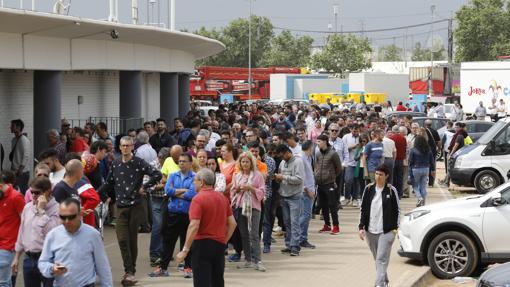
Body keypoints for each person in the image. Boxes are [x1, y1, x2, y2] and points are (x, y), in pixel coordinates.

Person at [98, 136, 162, 286]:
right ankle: (129, 270)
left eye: (128, 145)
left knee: (132, 240)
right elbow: (109, 183)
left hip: (136, 206)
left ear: (133, 146)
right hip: (120, 207)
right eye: (123, 146)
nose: (125, 148)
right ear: (119, 147)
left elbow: (157, 174)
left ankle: (130, 272)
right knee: (122, 239)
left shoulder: (139, 163)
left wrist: (145, 187)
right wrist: (94, 194)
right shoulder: (115, 163)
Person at [174, 168, 237, 287]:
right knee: (217, 280)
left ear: (202, 182)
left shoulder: (198, 199)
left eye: (195, 180)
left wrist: (185, 250)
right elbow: (233, 223)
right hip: (219, 244)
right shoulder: (222, 198)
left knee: (202, 281)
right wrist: (224, 240)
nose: (193, 183)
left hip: (202, 244)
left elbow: (194, 225)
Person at [38, 198, 113, 287]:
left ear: (79, 214)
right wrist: (52, 268)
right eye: (63, 217)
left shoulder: (93, 235)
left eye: (71, 217)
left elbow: (102, 267)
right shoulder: (52, 235)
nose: (67, 221)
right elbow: (43, 262)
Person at [149, 154, 196, 278]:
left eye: (184, 161)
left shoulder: (195, 177)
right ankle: (163, 268)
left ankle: (187, 267)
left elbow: (192, 194)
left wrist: (176, 192)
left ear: (190, 163)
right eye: (180, 161)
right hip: (172, 213)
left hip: (187, 213)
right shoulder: (172, 175)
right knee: (168, 241)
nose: (181, 163)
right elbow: (167, 191)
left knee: (186, 241)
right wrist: (183, 191)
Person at [12, 177, 60, 287]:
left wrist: (41, 211)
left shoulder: (57, 209)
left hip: (49, 259)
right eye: (31, 192)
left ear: (47, 191)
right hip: (29, 259)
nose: (33, 195)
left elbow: (52, 232)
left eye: (36, 193)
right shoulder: (28, 207)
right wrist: (16, 257)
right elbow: (22, 231)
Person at [358, 164, 400, 287]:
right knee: (378, 259)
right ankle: (385, 281)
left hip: (386, 231)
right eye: (376, 174)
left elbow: (397, 210)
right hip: (370, 231)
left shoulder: (391, 190)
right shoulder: (369, 189)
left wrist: (395, 230)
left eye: (381, 174)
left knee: (381, 259)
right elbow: (363, 209)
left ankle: (379, 285)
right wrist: (361, 227)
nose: (378, 177)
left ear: (386, 176)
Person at [231, 152, 266, 271]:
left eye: (247, 161)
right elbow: (233, 191)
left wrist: (250, 188)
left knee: (254, 234)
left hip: (254, 207)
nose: (245, 164)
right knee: (244, 234)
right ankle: (248, 259)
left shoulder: (258, 175)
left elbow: (262, 192)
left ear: (251, 162)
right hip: (241, 206)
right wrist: (236, 189)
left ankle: (258, 260)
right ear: (239, 163)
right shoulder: (237, 175)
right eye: (243, 161)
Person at [275, 144, 305, 256]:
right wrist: (277, 178)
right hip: (284, 196)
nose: (282, 158)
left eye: (282, 155)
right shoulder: (282, 163)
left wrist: (283, 177)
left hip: (295, 196)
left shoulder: (298, 162)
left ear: (287, 152)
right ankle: (289, 244)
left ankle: (295, 246)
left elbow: (299, 179)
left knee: (294, 222)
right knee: (287, 222)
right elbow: (281, 177)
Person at [53, 159, 100, 227]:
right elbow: (56, 213)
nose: (83, 173)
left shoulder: (73, 188)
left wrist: (79, 212)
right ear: (78, 172)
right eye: (82, 171)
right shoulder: (60, 188)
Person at [0, 172, 25, 287]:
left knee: (3, 283)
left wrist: (19, 249)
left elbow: (25, 221)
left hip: (7, 246)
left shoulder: (16, 197)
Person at [314, 134, 342, 235]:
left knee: (332, 205)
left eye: (319, 141)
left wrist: (332, 176)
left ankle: (336, 226)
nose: (318, 144)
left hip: (329, 183)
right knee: (323, 205)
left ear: (325, 141)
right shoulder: (317, 153)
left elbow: (339, 168)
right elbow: (316, 166)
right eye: (317, 142)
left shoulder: (333, 153)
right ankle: (327, 225)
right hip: (320, 183)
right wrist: (316, 175)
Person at [409, 135, 435, 207]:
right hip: (426, 169)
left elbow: (410, 162)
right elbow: (432, 161)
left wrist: (409, 173)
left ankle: (419, 198)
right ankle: (423, 204)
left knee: (415, 185)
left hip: (416, 169)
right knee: (423, 187)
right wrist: (433, 170)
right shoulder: (428, 150)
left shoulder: (413, 150)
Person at [299, 140, 316, 249]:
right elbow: (301, 176)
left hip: (311, 189)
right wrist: (306, 189)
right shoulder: (301, 158)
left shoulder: (309, 158)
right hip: (306, 191)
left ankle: (302, 238)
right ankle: (299, 237)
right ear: (310, 147)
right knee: (305, 216)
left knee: (306, 215)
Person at [9, 119, 30, 194]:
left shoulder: (24, 140)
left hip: (22, 172)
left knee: (22, 193)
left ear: (18, 127)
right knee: (15, 191)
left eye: (12, 126)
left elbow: (26, 155)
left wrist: (20, 169)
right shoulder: (14, 140)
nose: (10, 127)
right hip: (14, 171)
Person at [342, 124, 360, 206]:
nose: (355, 132)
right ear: (351, 129)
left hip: (358, 163)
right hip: (349, 162)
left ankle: (355, 198)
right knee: (348, 180)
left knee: (356, 181)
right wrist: (354, 146)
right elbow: (343, 149)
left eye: (356, 131)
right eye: (353, 131)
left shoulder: (361, 137)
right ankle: (347, 197)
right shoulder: (346, 137)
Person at [389, 126, 407, 198]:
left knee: (393, 176)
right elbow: (405, 148)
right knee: (400, 177)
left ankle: (394, 193)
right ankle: (400, 193)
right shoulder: (403, 138)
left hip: (393, 159)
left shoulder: (391, 138)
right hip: (400, 159)